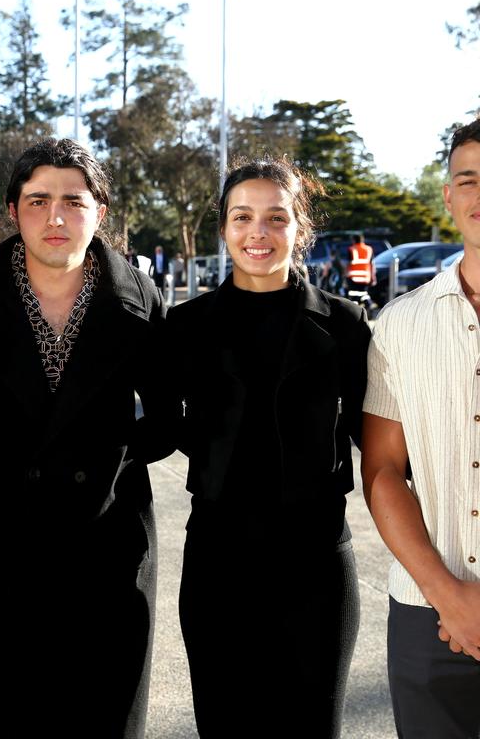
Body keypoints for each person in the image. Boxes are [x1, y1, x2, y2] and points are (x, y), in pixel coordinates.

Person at [0, 138, 166, 737]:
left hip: (107, 548)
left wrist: (111, 459)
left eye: (74, 200)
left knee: (101, 716)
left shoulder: (139, 298)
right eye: (38, 200)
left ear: (102, 212)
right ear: (13, 211)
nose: (57, 217)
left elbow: (170, 417)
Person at [163, 157, 370, 737]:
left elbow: (378, 445)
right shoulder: (184, 327)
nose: (258, 231)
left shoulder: (346, 326)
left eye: (276, 217)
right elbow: (153, 429)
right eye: (242, 216)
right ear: (224, 227)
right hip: (217, 568)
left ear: (300, 228)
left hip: (317, 568)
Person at [361, 116, 480, 738]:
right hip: (426, 617)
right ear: (448, 196)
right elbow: (382, 471)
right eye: (468, 179)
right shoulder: (399, 326)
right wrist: (450, 596)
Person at [346, 232, 374, 297]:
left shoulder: (351, 249)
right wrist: (372, 277)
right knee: (363, 295)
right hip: (366, 278)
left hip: (354, 277)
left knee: (353, 296)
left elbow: (348, 264)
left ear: (354, 240)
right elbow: (372, 264)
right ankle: (368, 304)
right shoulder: (369, 249)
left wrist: (345, 275)